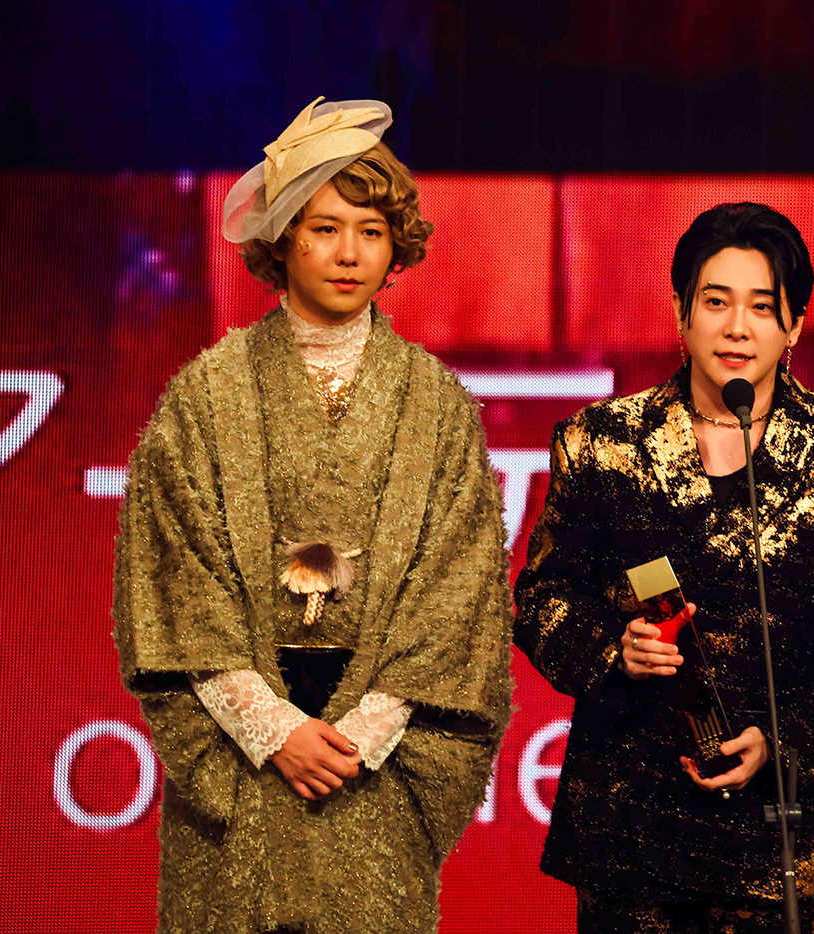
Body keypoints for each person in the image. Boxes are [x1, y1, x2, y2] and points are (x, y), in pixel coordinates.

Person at [111, 98, 514, 934]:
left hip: (380, 759)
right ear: (283, 237)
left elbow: (458, 591)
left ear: (397, 246)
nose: (349, 253)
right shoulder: (204, 397)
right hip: (240, 753)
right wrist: (274, 730)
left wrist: (363, 732)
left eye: (372, 231)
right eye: (325, 228)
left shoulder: (437, 405)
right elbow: (180, 583)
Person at [514, 202, 814, 933]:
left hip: (772, 838)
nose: (737, 328)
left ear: (796, 325)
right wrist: (613, 651)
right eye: (716, 302)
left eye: (763, 307)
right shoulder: (602, 441)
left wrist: (785, 743)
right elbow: (543, 595)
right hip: (627, 824)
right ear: (681, 312)